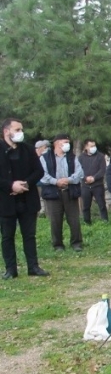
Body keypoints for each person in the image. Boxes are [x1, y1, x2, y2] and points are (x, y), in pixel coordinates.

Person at [0, 118, 48, 278]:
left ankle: (33, 267)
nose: (21, 133)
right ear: (7, 131)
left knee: (29, 235)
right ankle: (11, 269)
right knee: (7, 236)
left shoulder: (27, 149)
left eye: (21, 130)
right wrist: (11, 186)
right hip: (6, 201)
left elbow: (39, 171)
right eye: (18, 129)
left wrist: (25, 185)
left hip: (27, 199)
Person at [40, 133, 84, 252]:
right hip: (53, 193)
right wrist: (56, 182)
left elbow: (79, 173)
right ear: (56, 143)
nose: (67, 144)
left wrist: (68, 180)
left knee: (74, 220)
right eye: (65, 142)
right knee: (55, 220)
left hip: (70, 191)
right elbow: (43, 175)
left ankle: (76, 243)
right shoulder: (45, 158)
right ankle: (58, 245)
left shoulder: (72, 157)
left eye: (68, 142)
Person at [78, 139, 109, 224]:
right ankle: (87, 222)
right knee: (86, 206)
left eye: (94, 145)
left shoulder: (100, 156)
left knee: (102, 205)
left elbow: (102, 170)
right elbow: (78, 170)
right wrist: (85, 178)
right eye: (91, 146)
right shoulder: (81, 157)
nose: (93, 147)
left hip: (98, 185)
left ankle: (105, 222)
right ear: (86, 147)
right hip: (85, 186)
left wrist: (94, 178)